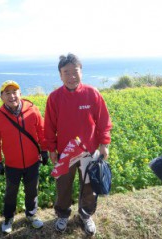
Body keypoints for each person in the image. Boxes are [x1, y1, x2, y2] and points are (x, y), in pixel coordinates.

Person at [44, 53, 112, 235]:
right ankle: (63, 215)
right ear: (60, 75)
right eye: (66, 72)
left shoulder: (92, 93)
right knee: (63, 186)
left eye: (75, 71)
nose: (71, 76)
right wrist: (51, 148)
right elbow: (49, 125)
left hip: (89, 151)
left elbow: (103, 121)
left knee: (89, 186)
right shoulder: (54, 97)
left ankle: (85, 214)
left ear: (81, 72)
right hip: (64, 153)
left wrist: (104, 143)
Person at [0, 80, 49, 234]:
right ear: (1, 97)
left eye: (14, 92)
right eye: (7, 93)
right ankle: (8, 218)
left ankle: (31, 214)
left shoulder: (32, 110)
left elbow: (41, 131)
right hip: (12, 164)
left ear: (20, 94)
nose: (11, 96)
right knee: (11, 193)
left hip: (32, 162)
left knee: (32, 191)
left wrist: (44, 151)